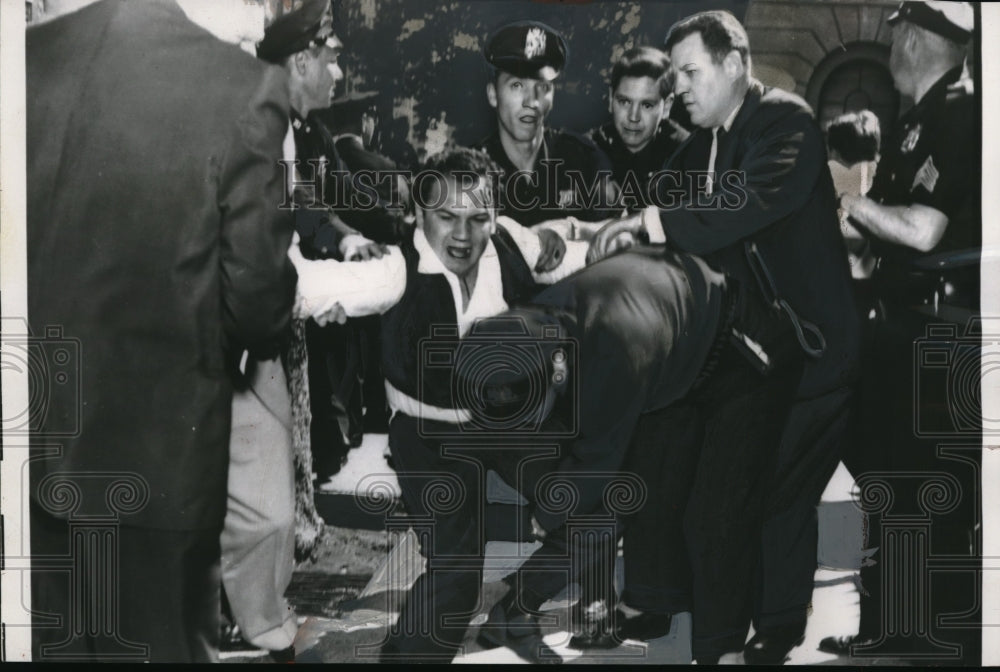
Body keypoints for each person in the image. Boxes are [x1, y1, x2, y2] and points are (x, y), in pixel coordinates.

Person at [26, 0, 296, 662]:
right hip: (161, 457)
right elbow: (258, 305)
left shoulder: (26, 58)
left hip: (27, 444)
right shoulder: (241, 85)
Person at [587, 9, 860, 663]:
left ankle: (776, 625)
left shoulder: (786, 123)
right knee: (663, 447)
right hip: (745, 349)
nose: (678, 87)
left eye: (689, 71)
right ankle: (661, 598)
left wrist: (649, 224)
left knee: (770, 489)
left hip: (810, 351)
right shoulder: (704, 139)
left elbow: (738, 204)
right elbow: (658, 208)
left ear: (735, 64)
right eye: (673, 73)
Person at [288, 147, 586, 662]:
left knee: (588, 507)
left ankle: (517, 617)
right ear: (418, 215)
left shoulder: (510, 242)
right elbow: (304, 288)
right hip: (427, 437)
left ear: (494, 215)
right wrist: (309, 292)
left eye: (477, 218)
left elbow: (572, 251)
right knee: (456, 574)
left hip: (505, 425)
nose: (463, 236)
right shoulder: (395, 269)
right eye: (446, 217)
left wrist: (630, 236)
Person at [473, 243, 803, 664]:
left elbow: (595, 461)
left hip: (748, 351)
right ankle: (647, 603)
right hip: (674, 349)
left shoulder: (612, 353)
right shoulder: (534, 324)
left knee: (717, 513)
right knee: (640, 489)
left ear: (555, 367)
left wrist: (544, 517)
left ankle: (721, 649)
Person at [823, 2, 981, 661]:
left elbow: (923, 230)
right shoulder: (922, 117)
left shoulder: (958, 113)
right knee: (898, 478)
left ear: (914, 38)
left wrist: (851, 203)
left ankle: (921, 630)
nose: (892, 46)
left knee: (918, 483)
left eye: (898, 33)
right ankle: (901, 623)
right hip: (907, 327)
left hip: (935, 331)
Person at [478, 20, 619, 230]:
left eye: (542, 87)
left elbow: (618, 236)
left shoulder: (585, 162)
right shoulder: (470, 172)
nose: (532, 101)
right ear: (493, 94)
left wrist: (570, 231)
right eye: (517, 85)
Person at [590, 46, 689, 209]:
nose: (633, 117)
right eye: (624, 102)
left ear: (666, 107)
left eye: (647, 105)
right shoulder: (588, 151)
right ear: (610, 99)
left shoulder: (688, 156)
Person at [825, 110, 881, 281]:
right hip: (866, 262)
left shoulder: (830, 171)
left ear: (834, 150)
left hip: (832, 255)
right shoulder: (875, 170)